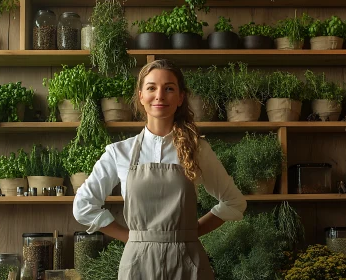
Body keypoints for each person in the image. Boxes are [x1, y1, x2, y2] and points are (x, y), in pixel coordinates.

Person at [73, 59, 247, 280]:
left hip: (187, 262)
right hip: (137, 264)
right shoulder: (120, 153)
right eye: (151, 88)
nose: (160, 95)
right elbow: (83, 206)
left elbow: (234, 202)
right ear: (141, 96)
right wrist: (132, 237)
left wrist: (189, 234)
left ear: (180, 97)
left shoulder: (197, 149)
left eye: (169, 88)